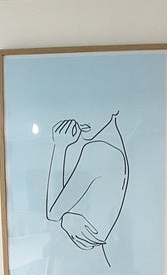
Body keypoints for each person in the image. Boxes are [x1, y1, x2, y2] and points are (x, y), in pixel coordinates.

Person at [45, 112, 129, 266]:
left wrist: (60, 146)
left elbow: (53, 212)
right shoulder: (114, 146)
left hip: (83, 262)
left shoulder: (99, 149)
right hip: (94, 262)